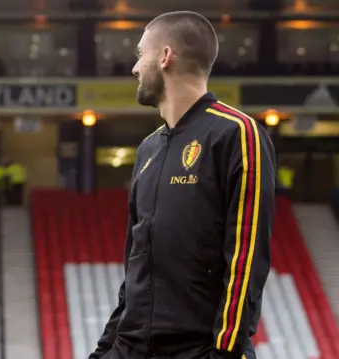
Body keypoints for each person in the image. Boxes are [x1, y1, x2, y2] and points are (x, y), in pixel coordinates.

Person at [89, 11, 276, 359]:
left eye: (140, 54)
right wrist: (105, 349)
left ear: (165, 57)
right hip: (131, 346)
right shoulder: (148, 148)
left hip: (198, 348)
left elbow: (246, 261)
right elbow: (135, 267)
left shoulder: (238, 133)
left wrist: (224, 352)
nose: (134, 68)